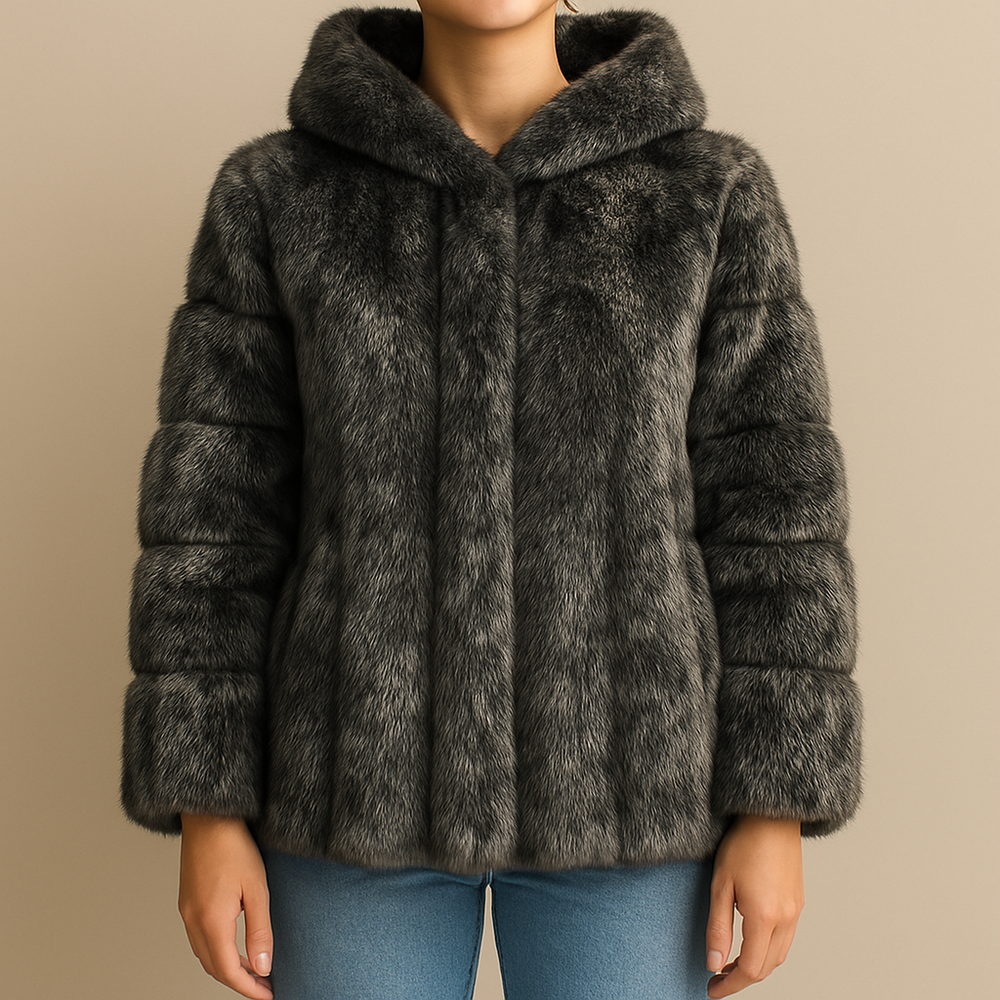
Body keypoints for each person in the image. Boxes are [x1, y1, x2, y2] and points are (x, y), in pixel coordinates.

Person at [119, 3, 865, 999]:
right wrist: (205, 807)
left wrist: (774, 804)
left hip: (634, 803)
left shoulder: (709, 194)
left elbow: (779, 511)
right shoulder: (276, 196)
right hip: (348, 798)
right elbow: (212, 519)